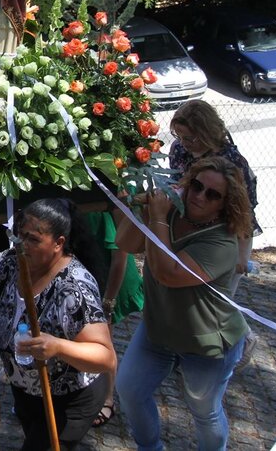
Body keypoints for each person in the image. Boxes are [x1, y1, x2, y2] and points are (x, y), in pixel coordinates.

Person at [0, 198, 117, 451]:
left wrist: (58, 347)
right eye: (20, 236)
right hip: (27, 391)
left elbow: (105, 356)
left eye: (33, 239)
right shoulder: (13, 261)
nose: (23, 245)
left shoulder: (74, 287)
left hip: (69, 400)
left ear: (59, 243)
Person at [115, 156, 253, 451]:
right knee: (129, 389)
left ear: (225, 204)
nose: (200, 196)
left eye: (212, 194)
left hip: (206, 342)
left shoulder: (222, 243)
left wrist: (158, 217)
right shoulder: (171, 214)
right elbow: (126, 243)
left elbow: (168, 273)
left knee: (204, 410)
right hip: (159, 329)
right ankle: (150, 447)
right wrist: (142, 208)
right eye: (197, 186)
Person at [168, 99, 260, 368]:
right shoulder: (180, 151)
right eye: (180, 136)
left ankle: (242, 339)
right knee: (186, 295)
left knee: (216, 301)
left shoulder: (232, 162)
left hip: (224, 238)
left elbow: (243, 213)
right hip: (187, 232)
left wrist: (241, 256)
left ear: (207, 132)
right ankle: (181, 350)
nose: (184, 143)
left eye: (191, 137)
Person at [85, 211, 144, 429]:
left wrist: (108, 302)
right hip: (90, 270)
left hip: (111, 278)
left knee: (104, 338)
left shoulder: (105, 205)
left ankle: (107, 398)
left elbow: (120, 257)